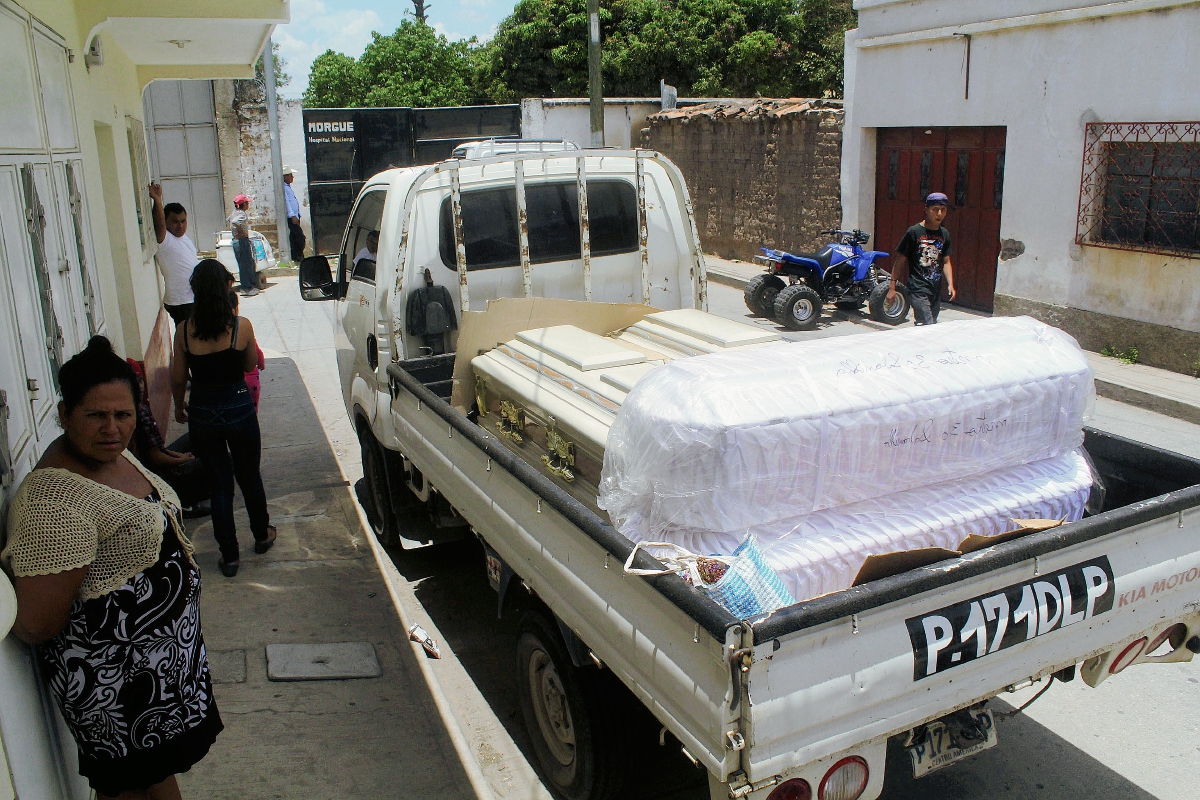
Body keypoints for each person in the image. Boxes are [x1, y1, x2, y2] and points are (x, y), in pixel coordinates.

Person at [3, 336, 223, 800]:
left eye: (123, 415)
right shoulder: (54, 501)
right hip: (116, 688)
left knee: (151, 781)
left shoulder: (110, 454)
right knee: (131, 788)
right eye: (96, 415)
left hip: (159, 672)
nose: (112, 428)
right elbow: (37, 623)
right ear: (65, 415)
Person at [172, 259, 276, 577]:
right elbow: (249, 365)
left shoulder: (183, 331)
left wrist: (178, 406)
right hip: (238, 407)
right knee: (249, 476)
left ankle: (229, 557)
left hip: (203, 411)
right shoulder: (241, 326)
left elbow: (178, 377)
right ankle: (262, 535)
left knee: (219, 485)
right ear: (225, 288)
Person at [126, 358, 211, 518]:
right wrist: (181, 460)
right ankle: (183, 501)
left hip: (155, 466)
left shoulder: (141, 407)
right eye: (135, 383)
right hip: (157, 477)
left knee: (198, 435)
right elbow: (155, 458)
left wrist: (179, 456)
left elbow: (157, 449)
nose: (141, 386)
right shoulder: (136, 413)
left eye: (141, 380)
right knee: (220, 461)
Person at [887, 192, 957, 325]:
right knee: (928, 324)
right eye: (935, 209)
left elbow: (946, 261)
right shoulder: (914, 232)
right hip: (918, 288)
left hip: (935, 290)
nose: (939, 214)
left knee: (927, 326)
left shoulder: (944, 234)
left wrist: (950, 284)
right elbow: (900, 261)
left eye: (943, 210)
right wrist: (892, 287)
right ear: (926, 210)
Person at [150, 183, 199, 324]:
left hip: (193, 298)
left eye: (183, 221)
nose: (180, 225)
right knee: (187, 334)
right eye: (175, 221)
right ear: (166, 222)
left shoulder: (184, 239)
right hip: (180, 302)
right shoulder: (165, 240)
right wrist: (157, 200)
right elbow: (159, 224)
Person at [228, 291, 266, 409]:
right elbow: (256, 351)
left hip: (232, 384)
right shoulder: (243, 327)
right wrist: (261, 363)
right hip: (251, 381)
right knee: (252, 409)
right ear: (236, 308)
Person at [228, 194, 258, 297]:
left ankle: (249, 286)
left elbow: (229, 220)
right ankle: (246, 288)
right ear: (244, 204)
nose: (248, 205)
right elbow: (234, 222)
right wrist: (241, 231)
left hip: (237, 241)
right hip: (241, 241)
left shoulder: (234, 212)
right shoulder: (241, 214)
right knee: (245, 265)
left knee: (247, 264)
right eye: (247, 203)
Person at [282, 165, 305, 261]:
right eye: (290, 175)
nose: (292, 177)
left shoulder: (288, 187)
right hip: (292, 217)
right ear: (285, 177)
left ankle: (298, 256)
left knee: (294, 237)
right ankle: (297, 256)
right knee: (299, 237)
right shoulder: (283, 188)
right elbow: (287, 202)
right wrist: (292, 215)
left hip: (296, 215)